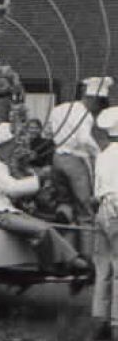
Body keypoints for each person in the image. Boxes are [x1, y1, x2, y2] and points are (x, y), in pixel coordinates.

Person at [0, 122, 89, 274]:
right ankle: (52, 265)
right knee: (42, 229)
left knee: (44, 226)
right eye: (11, 145)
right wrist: (39, 179)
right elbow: (12, 189)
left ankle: (71, 259)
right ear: (2, 146)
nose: (13, 149)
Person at [46, 77, 113, 253]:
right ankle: (87, 258)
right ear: (94, 100)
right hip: (75, 161)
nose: (97, 110)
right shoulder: (85, 114)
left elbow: (49, 132)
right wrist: (98, 153)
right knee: (85, 212)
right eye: (99, 105)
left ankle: (65, 254)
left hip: (57, 157)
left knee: (64, 204)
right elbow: (84, 139)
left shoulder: (59, 109)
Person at [91, 107, 118, 340]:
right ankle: (117, 323)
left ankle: (99, 319)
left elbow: (97, 189)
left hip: (102, 208)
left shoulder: (102, 154)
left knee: (103, 267)